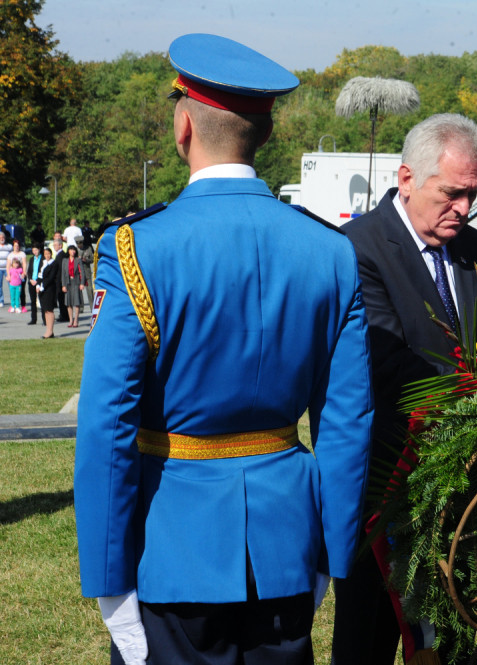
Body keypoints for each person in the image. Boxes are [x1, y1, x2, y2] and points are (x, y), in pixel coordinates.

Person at [73, 33, 373, 665]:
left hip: (172, 552)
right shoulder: (332, 252)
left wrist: (109, 589)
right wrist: (328, 560)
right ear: (263, 133)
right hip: (287, 551)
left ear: (184, 126)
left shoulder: (137, 248)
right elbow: (347, 426)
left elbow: (106, 427)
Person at [338, 113, 477, 665]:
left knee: (454, 642)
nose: (463, 209)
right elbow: (386, 363)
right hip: (382, 489)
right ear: (407, 178)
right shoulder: (354, 249)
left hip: (470, 492)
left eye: (472, 194)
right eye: (451, 193)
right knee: (368, 639)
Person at [60, 244, 85, 327]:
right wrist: (63, 285)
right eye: (71, 250)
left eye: (74, 250)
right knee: (69, 303)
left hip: (76, 282)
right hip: (68, 283)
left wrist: (82, 283)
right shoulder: (65, 260)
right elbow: (63, 274)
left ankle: (76, 320)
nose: (72, 251)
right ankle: (71, 320)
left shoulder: (78, 260)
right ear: (68, 251)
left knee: (76, 302)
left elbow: (82, 272)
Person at [37, 247, 57, 338]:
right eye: (45, 254)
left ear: (51, 254)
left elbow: (51, 277)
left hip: (49, 289)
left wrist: (42, 286)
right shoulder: (43, 263)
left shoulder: (54, 263)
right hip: (42, 289)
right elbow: (40, 275)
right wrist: (38, 285)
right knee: (45, 310)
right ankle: (48, 330)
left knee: (49, 310)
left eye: (48, 253)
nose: (47, 255)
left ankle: (50, 331)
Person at [50, 236, 69, 322]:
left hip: (60, 280)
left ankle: (64, 316)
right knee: (60, 299)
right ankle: (63, 314)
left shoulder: (61, 255)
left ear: (60, 245)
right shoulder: (59, 255)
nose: (54, 246)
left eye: (56, 245)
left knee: (61, 299)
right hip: (59, 280)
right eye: (53, 245)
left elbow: (61, 269)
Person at [6, 238, 26, 310]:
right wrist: (8, 275)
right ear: (13, 246)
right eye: (15, 246)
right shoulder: (10, 255)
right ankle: (13, 305)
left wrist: (24, 272)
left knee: (21, 291)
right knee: (13, 292)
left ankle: (22, 305)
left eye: (17, 246)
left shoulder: (22, 254)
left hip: (20, 274)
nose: (16, 247)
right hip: (13, 276)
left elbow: (24, 263)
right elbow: (8, 265)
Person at [26, 244, 41, 324]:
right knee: (33, 301)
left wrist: (38, 281)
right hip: (32, 282)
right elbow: (29, 271)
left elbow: (43, 271)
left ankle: (45, 320)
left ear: (39, 249)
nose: (35, 252)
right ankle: (33, 319)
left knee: (42, 301)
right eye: (33, 250)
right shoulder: (32, 259)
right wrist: (31, 279)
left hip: (39, 282)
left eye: (36, 250)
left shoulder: (42, 259)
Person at [0, 230, 10, 308]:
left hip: (8, 269)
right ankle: (1, 301)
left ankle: (14, 301)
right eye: (0, 237)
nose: (2, 239)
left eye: (3, 237)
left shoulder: (9, 246)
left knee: (11, 285)